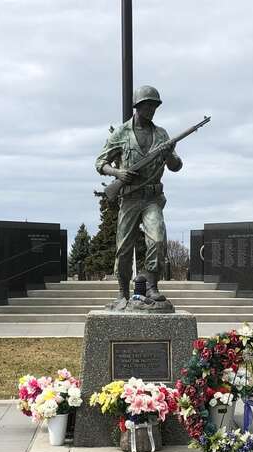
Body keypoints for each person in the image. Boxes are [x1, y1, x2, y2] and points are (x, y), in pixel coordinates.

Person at [95, 85, 182, 305]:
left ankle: (151, 285)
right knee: (124, 247)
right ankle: (123, 292)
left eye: (154, 106)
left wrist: (168, 154)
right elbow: (100, 163)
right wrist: (117, 173)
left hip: (152, 198)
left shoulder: (161, 134)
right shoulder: (122, 133)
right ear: (138, 106)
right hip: (130, 197)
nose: (152, 110)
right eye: (148, 105)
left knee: (158, 239)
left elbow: (176, 165)